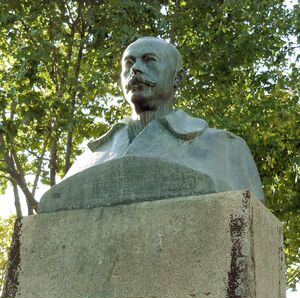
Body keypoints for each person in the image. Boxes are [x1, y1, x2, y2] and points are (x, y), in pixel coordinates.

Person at [38, 37, 264, 213]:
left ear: (178, 78)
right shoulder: (90, 158)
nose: (135, 69)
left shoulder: (226, 149)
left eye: (149, 60)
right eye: (129, 63)